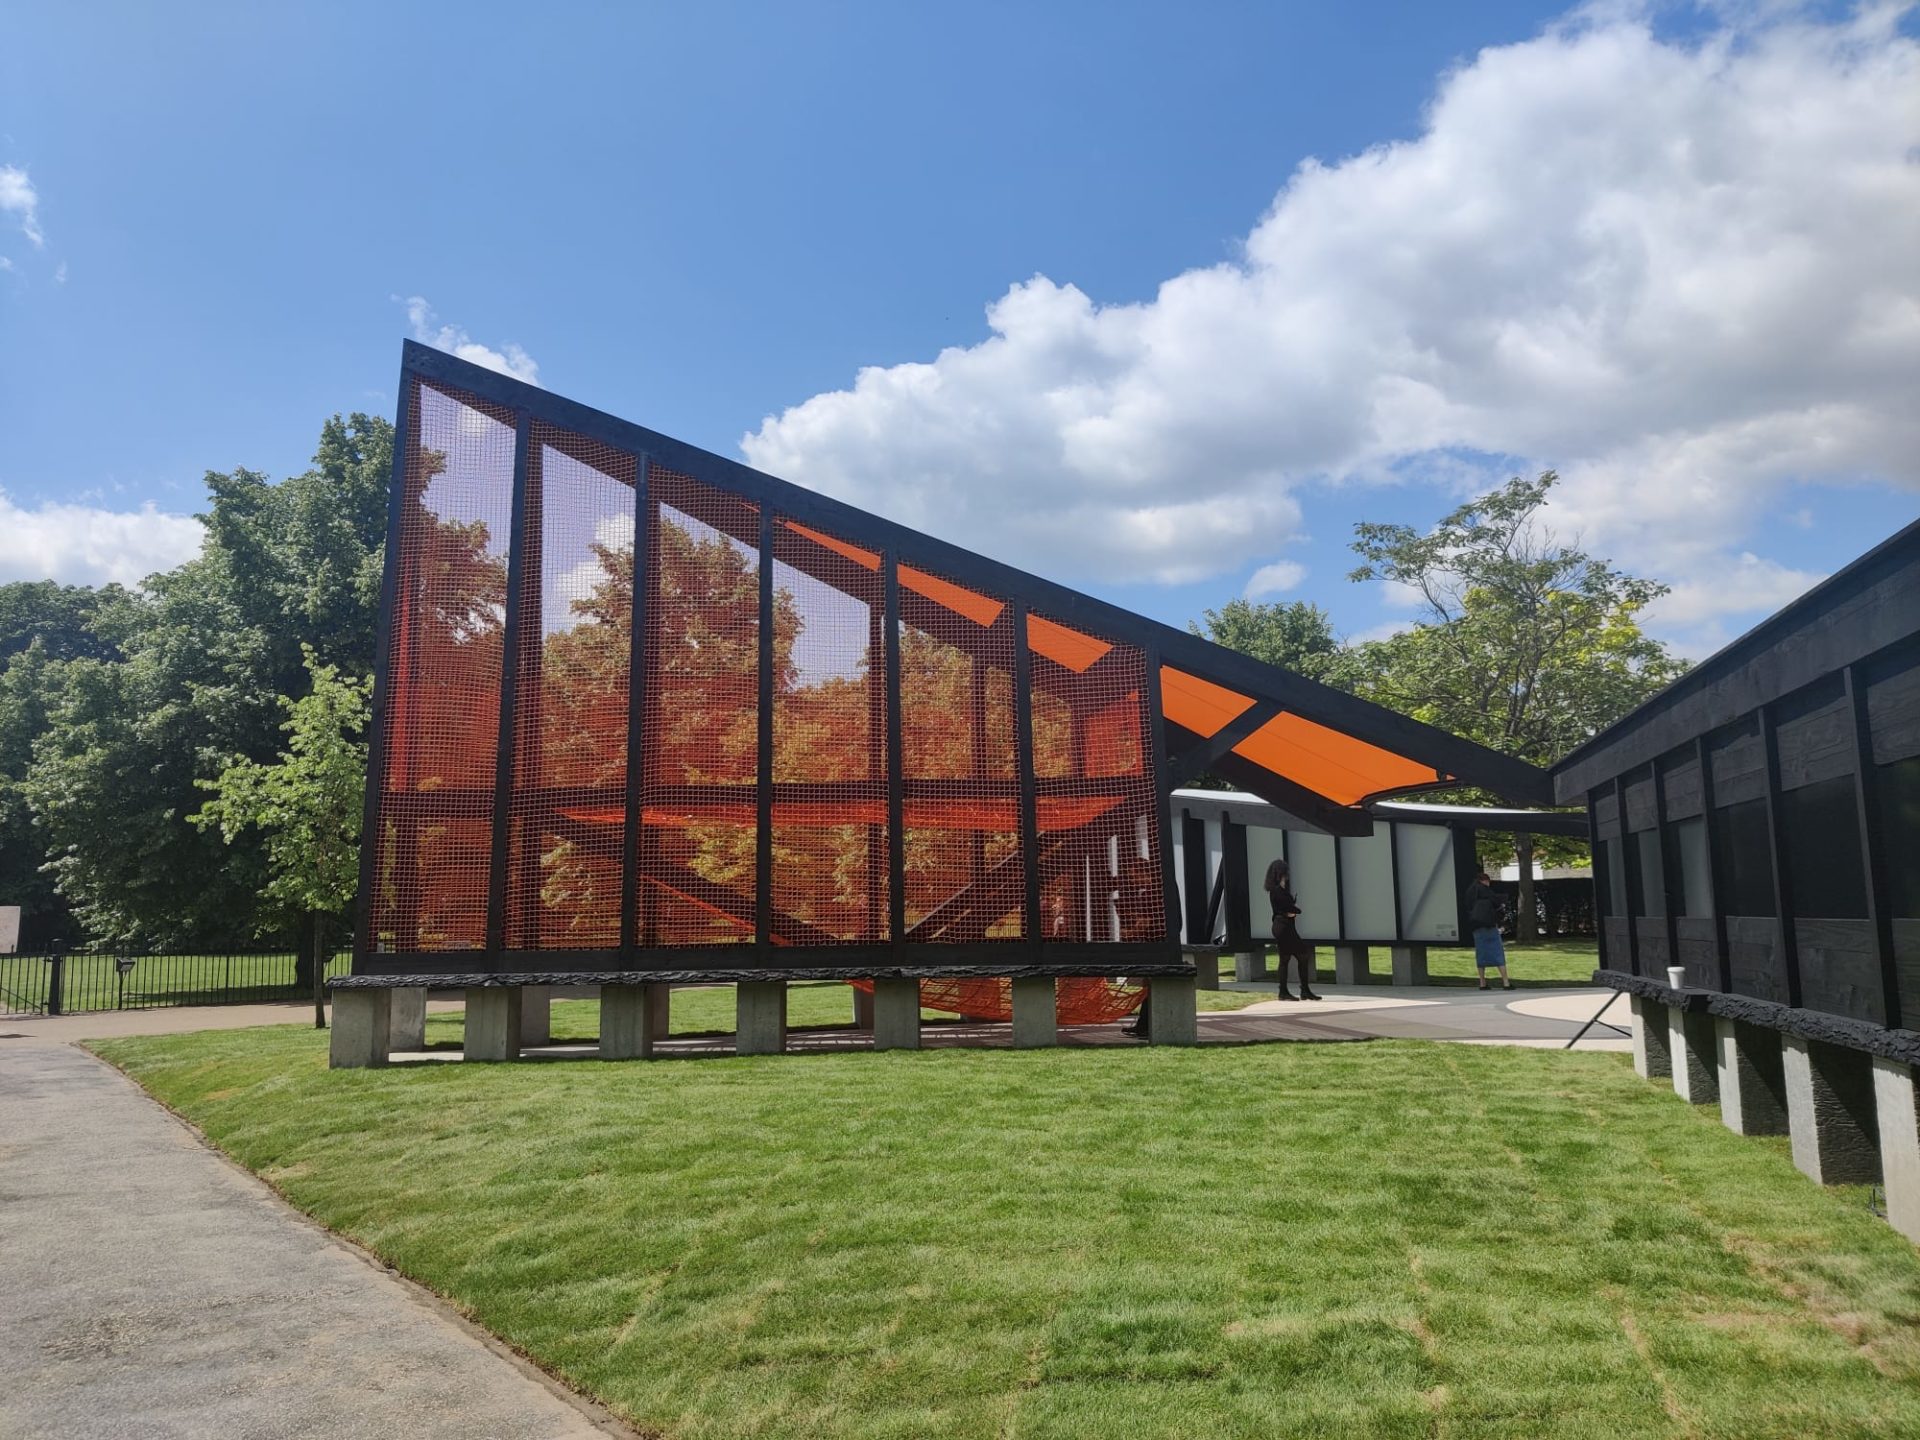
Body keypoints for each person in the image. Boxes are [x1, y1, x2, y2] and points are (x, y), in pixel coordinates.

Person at [1263, 857, 1320, 1001]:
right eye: (1285, 872)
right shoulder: (1277, 891)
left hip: (1284, 926)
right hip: (1284, 927)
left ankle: (1287, 991)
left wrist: (1292, 911)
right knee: (1302, 955)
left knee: (1286, 958)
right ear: (1280, 873)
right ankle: (1299, 990)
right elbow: (1287, 908)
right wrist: (1294, 910)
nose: (1287, 875)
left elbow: (1288, 908)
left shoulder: (1279, 890)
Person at [1463, 869, 1512, 990]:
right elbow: (1497, 902)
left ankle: (1482, 982)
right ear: (1485, 881)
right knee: (1498, 952)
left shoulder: (1470, 892)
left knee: (1481, 954)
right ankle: (1505, 982)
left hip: (1476, 927)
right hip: (1489, 925)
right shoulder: (1486, 891)